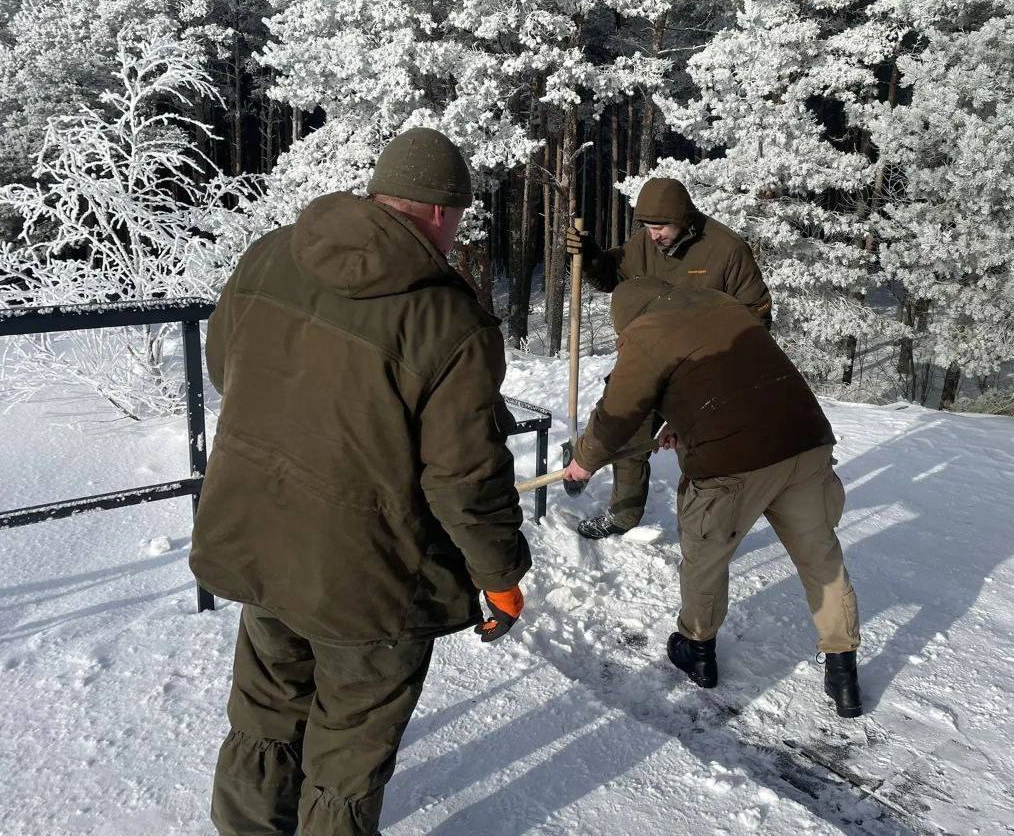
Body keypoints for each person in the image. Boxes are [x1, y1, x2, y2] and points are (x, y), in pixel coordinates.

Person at [190, 127, 533, 835]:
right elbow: (464, 478)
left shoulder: (271, 254)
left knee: (264, 712)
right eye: (458, 217)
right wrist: (500, 575)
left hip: (261, 535)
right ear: (440, 210)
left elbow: (226, 367)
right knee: (347, 755)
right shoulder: (449, 322)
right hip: (370, 580)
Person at [561, 277, 863, 718]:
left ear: (626, 319)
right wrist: (686, 420)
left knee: (705, 555)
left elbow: (617, 413)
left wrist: (583, 461)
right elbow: (731, 378)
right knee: (821, 559)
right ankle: (844, 673)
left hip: (732, 463)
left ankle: (697, 650)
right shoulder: (720, 304)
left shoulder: (647, 331)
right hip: (805, 441)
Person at [563, 178, 772, 540]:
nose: (653, 235)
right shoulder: (647, 243)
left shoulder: (726, 250)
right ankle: (623, 515)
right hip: (651, 360)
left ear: (683, 218)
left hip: (703, 370)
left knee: (695, 452)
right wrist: (591, 256)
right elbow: (615, 275)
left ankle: (703, 530)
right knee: (629, 429)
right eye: (647, 226)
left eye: (660, 227)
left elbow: (756, 315)